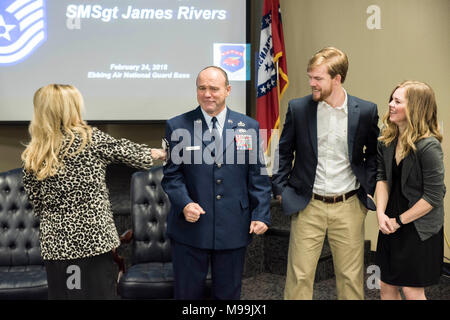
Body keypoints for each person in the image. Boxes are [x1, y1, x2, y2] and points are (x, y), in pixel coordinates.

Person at [21, 84, 166, 299]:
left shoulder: (34, 152)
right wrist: (158, 153)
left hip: (56, 244)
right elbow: (130, 153)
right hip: (94, 242)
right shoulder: (90, 139)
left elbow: (37, 202)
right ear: (71, 108)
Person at [272, 47, 380, 300]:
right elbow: (284, 151)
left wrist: (370, 184)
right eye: (310, 77)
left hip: (349, 205)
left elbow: (374, 154)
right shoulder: (299, 109)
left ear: (337, 78)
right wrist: (281, 190)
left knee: (351, 278)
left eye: (318, 78)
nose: (312, 83)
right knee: (299, 277)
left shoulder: (365, 111)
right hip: (308, 205)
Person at [161, 66, 271, 300]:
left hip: (233, 226)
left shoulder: (248, 126)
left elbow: (257, 176)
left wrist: (261, 213)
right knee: (187, 296)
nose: (207, 94)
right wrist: (184, 203)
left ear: (228, 90)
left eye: (214, 88)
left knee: (228, 296)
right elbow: (172, 176)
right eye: (202, 88)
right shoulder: (178, 126)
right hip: (190, 228)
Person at [375, 81, 445, 300]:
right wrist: (381, 214)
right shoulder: (386, 140)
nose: (390, 105)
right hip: (390, 221)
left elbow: (433, 196)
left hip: (418, 226)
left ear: (415, 108)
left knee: (411, 290)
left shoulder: (429, 146)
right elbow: (382, 178)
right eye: (391, 99)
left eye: (397, 101)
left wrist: (399, 221)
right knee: (386, 286)